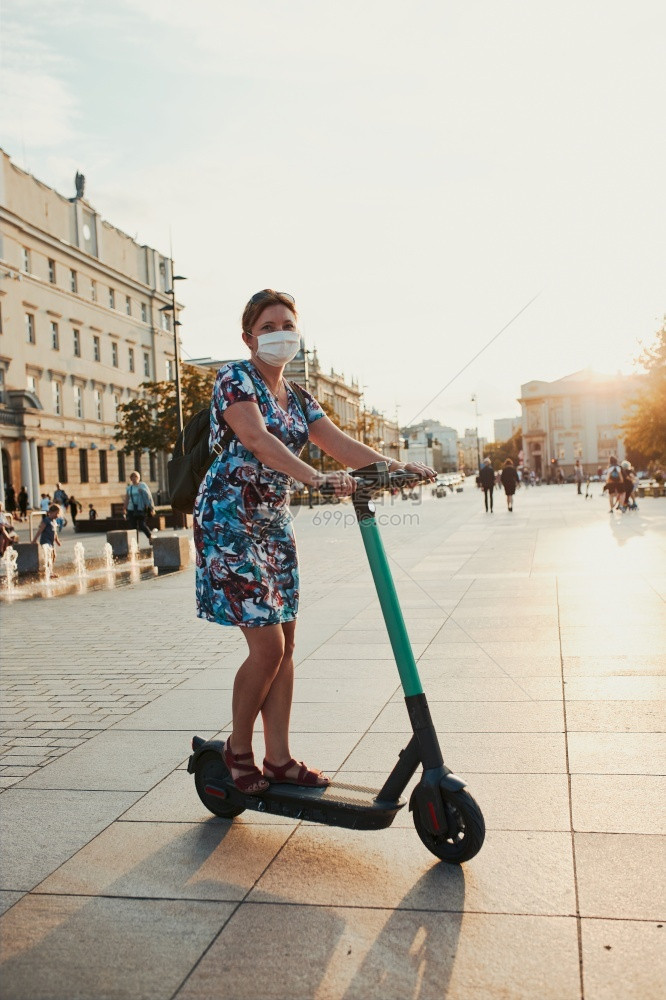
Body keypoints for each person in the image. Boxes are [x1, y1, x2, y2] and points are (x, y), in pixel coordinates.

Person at [194, 288, 434, 794]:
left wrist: (394, 471)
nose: (280, 334)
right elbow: (257, 439)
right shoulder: (235, 379)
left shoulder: (301, 398)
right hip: (228, 519)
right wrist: (313, 478)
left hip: (273, 523)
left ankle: (279, 759)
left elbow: (340, 444)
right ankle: (240, 749)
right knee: (268, 645)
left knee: (287, 644)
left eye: (287, 325)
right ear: (248, 337)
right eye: (268, 327)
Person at [124, 471, 155, 542]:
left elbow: (149, 496)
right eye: (133, 477)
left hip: (141, 508)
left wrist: (152, 508)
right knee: (133, 527)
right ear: (131, 479)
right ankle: (135, 543)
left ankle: (150, 536)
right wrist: (124, 509)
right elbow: (127, 499)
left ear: (139, 478)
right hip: (131, 509)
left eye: (136, 477)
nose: (134, 478)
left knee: (142, 525)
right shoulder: (129, 488)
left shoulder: (143, 485)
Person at [32, 502, 62, 574]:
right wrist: (34, 540)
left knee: (54, 555)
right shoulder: (46, 520)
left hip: (51, 541)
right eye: (56, 513)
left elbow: (55, 532)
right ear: (51, 512)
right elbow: (40, 530)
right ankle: (48, 572)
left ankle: (50, 570)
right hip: (45, 541)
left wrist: (57, 541)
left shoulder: (54, 521)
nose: (57, 515)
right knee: (49, 555)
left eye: (58, 514)